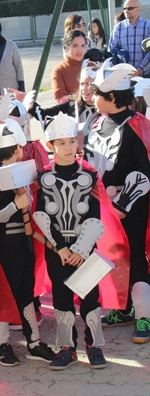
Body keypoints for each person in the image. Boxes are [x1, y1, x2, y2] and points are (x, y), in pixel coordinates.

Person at [34, 113, 125, 370]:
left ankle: (95, 346)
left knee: (89, 299)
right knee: (62, 299)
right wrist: (62, 248)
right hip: (58, 251)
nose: (67, 147)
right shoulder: (43, 178)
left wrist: (81, 249)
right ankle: (67, 348)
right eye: (61, 143)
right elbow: (42, 216)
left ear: (77, 143)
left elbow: (95, 218)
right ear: (52, 145)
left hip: (86, 250)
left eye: (71, 141)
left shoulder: (90, 176)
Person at [0, 119, 57, 367]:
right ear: (18, 149)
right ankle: (1, 344)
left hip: (24, 242)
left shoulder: (22, 172)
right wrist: (15, 206)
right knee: (4, 292)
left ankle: (33, 341)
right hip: (5, 244)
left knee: (26, 291)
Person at [84, 61, 150, 343]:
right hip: (103, 207)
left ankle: (144, 314)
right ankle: (122, 308)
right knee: (110, 256)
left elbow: (144, 172)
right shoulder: (97, 122)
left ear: (112, 98)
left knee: (135, 255)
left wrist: (122, 206)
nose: (92, 96)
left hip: (131, 209)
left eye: (97, 93)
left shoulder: (137, 126)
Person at [109, 0, 150, 77]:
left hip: (145, 76)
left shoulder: (147, 26)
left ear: (138, 9)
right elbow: (112, 50)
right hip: (123, 76)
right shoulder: (118, 28)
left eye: (130, 8)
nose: (126, 11)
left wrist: (139, 70)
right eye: (124, 8)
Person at [52, 30, 88, 104]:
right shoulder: (59, 71)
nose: (80, 50)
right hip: (72, 112)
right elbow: (60, 98)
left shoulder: (90, 65)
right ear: (65, 48)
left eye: (83, 45)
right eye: (75, 46)